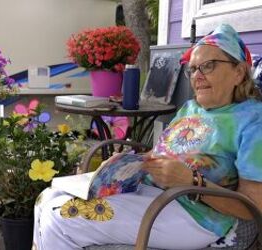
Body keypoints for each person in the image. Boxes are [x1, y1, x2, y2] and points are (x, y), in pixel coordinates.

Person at [32, 24, 262, 250]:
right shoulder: (191, 108)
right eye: (192, 69)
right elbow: (163, 153)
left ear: (239, 72)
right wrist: (127, 163)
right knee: (48, 197)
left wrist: (192, 182)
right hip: (151, 194)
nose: (197, 76)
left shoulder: (252, 121)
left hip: (192, 214)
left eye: (208, 66)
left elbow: (253, 206)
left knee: (61, 218)